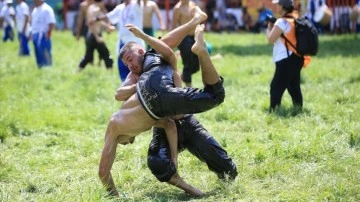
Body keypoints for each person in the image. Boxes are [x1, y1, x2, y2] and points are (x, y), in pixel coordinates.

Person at [98, 7, 226, 197]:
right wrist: (174, 157)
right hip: (167, 106)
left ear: (139, 52)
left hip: (169, 102)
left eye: (131, 60)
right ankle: (195, 24)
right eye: (127, 64)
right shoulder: (136, 75)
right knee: (161, 51)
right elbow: (168, 124)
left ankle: (199, 41)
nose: (131, 66)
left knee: (160, 50)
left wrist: (114, 196)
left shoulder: (116, 126)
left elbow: (102, 172)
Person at [266, 0, 306, 112]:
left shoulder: (281, 22)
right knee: (294, 87)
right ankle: (298, 109)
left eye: (278, 5)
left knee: (275, 87)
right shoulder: (295, 19)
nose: (276, 7)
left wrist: (269, 26)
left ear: (282, 6)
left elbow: (270, 39)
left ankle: (274, 111)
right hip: (297, 58)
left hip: (286, 60)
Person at [104, 0, 145, 81]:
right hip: (122, 43)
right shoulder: (120, 7)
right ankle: (125, 87)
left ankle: (141, 87)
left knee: (139, 68)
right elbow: (109, 17)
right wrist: (97, 19)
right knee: (123, 68)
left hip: (135, 43)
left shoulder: (136, 4)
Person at [78, 0, 114, 71]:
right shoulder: (96, 9)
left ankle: (78, 70)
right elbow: (91, 23)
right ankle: (110, 71)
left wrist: (107, 26)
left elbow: (97, 21)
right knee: (106, 54)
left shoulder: (91, 8)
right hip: (94, 35)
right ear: (101, 2)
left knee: (88, 56)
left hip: (90, 35)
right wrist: (97, 36)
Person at [171, 0, 199, 87]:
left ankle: (183, 76)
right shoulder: (177, 8)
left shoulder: (192, 4)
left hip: (194, 37)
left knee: (196, 65)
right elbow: (173, 26)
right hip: (184, 38)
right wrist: (173, 42)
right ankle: (189, 88)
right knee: (188, 62)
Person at [75, 0, 107, 66]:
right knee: (89, 49)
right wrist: (78, 33)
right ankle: (91, 62)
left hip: (98, 27)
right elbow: (80, 19)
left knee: (101, 47)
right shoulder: (83, 5)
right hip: (88, 29)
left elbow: (105, 14)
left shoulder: (99, 3)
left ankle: (100, 62)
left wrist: (108, 26)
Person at [30, 0, 56, 68]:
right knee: (38, 53)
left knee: (45, 52)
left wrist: (48, 34)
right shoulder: (35, 9)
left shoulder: (47, 9)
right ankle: (40, 67)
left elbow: (51, 23)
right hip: (35, 34)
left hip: (43, 34)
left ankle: (48, 67)